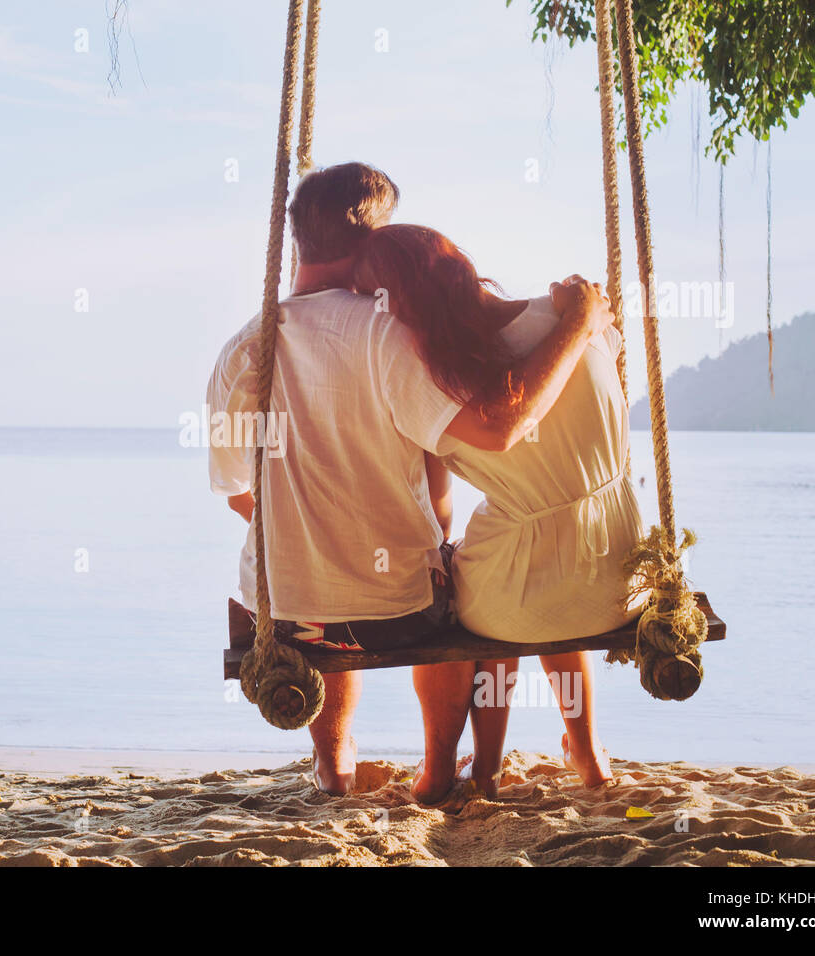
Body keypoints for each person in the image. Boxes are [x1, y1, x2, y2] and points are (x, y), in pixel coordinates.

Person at [206, 163, 615, 797]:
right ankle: (440, 768)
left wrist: (308, 533)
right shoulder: (388, 336)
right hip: (401, 614)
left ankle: (335, 764)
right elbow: (483, 436)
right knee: (447, 595)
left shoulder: (241, 349)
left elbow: (237, 490)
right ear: (373, 237)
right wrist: (577, 323)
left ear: (298, 240)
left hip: (288, 616)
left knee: (329, 591)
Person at [353, 223, 646, 796]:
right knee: (540, 560)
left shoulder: (435, 386)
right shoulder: (583, 319)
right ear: (462, 264)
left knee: (480, 584)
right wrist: (580, 318)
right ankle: (586, 753)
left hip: (523, 594)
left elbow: (439, 512)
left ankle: (483, 769)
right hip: (623, 575)